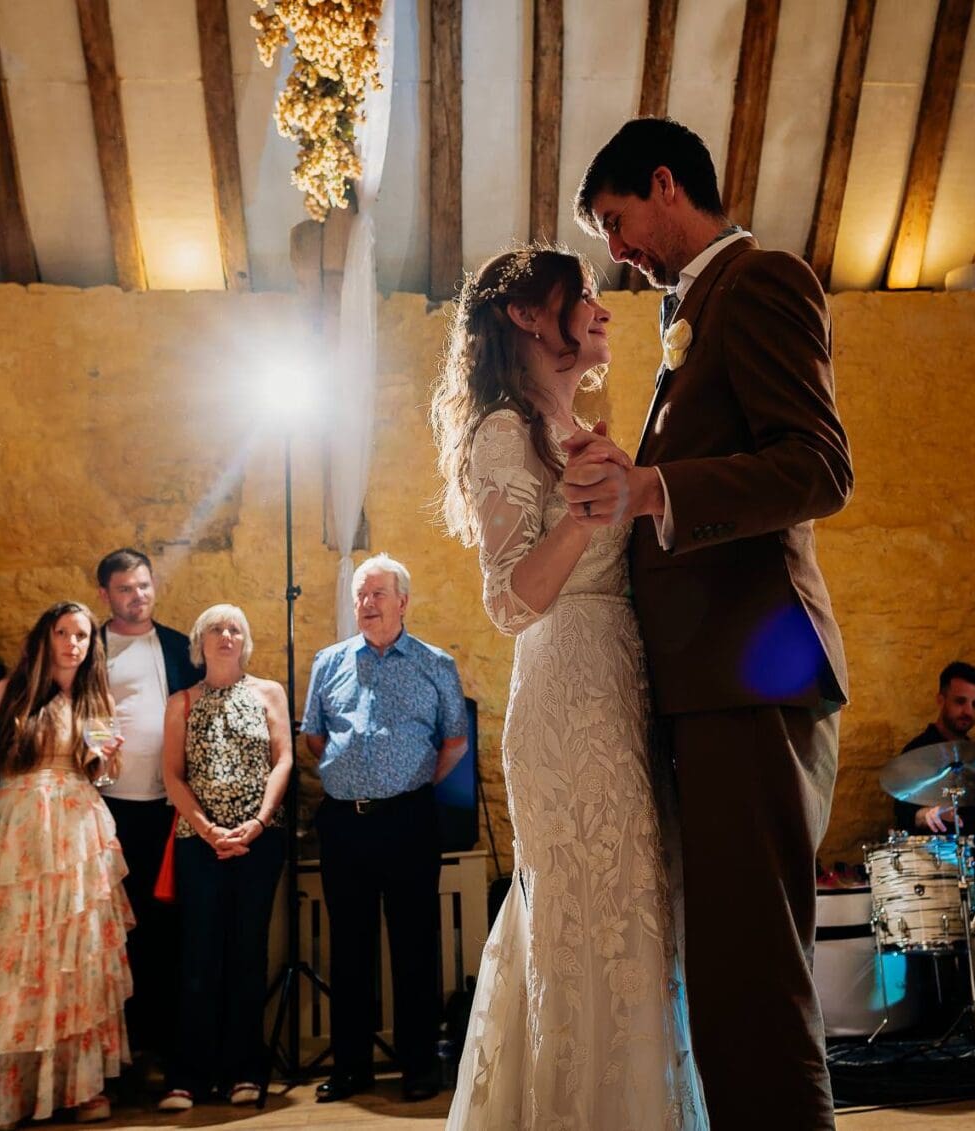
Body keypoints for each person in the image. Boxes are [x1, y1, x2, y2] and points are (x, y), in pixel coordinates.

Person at [563, 117, 853, 1127]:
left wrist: (651, 490)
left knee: (751, 968)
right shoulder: (693, 311)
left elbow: (817, 468)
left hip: (750, 675)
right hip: (709, 685)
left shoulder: (762, 279)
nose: (616, 250)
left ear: (662, 183)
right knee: (726, 967)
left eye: (615, 219)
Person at [431, 247, 707, 1127]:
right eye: (582, 293)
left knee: (636, 918)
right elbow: (508, 600)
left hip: (619, 680)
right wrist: (591, 510)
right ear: (525, 314)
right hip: (566, 696)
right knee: (595, 916)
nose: (602, 308)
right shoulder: (504, 433)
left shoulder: (572, 431)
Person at [0, 602, 132, 1128]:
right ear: (45, 637)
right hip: (19, 829)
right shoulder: (12, 693)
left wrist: (108, 757)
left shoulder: (97, 697)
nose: (73, 643)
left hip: (78, 832)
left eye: (82, 635)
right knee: (16, 954)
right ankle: (10, 1090)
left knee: (77, 955)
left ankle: (79, 1086)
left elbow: (102, 773)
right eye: (63, 632)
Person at [302, 554, 468, 1104]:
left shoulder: (435, 664)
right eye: (360, 596)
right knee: (349, 949)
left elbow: (454, 741)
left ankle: (419, 1066)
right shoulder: (328, 663)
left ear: (403, 601)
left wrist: (410, 785)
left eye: (378, 594)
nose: (367, 604)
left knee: (415, 944)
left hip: (409, 822)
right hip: (344, 824)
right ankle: (352, 1069)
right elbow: (315, 739)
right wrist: (357, 780)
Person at [156, 604, 293, 1111]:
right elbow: (173, 775)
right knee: (198, 957)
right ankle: (188, 1077)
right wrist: (210, 830)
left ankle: (245, 1072)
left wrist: (257, 823)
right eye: (216, 628)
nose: (227, 635)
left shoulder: (268, 693)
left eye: (236, 628)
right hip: (201, 846)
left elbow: (284, 758)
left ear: (246, 641)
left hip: (260, 843)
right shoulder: (182, 702)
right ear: (199, 642)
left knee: (247, 955)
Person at [94, 548, 200, 1076]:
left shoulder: (179, 646)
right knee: (118, 932)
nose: (137, 597)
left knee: (167, 930)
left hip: (170, 808)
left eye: (143, 586)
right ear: (106, 595)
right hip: (107, 810)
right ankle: (120, 1050)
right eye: (124, 589)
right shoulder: (89, 644)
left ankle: (165, 1047)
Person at [891, 661, 975, 902]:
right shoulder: (918, 753)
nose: (968, 711)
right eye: (960, 702)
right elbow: (904, 811)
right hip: (940, 886)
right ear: (941, 700)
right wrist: (925, 815)